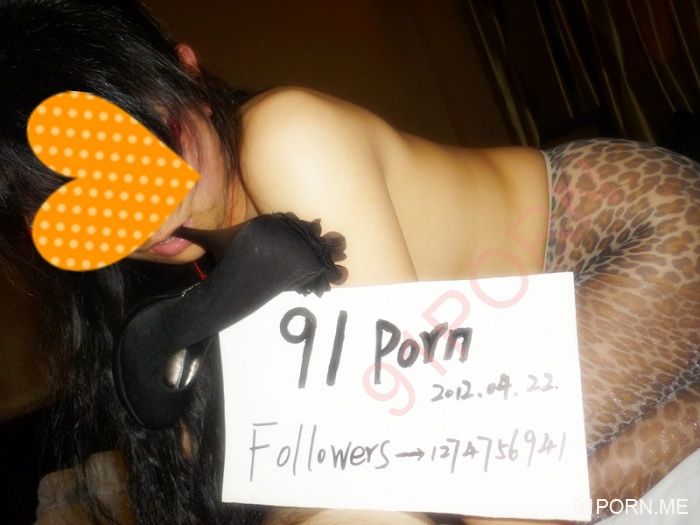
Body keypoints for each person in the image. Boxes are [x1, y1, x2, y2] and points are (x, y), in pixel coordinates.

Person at [0, 1, 697, 524]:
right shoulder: (201, 273)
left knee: (496, 498)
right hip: (519, 335)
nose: (150, 220)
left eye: (150, 153)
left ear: (190, 75)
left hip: (617, 232)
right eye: (90, 207)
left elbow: (403, 443)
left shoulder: (286, 138)